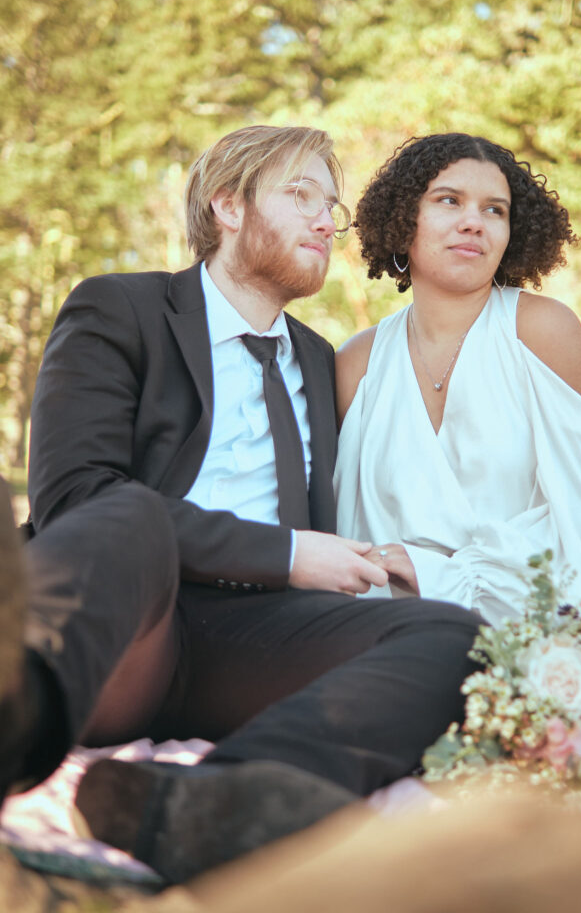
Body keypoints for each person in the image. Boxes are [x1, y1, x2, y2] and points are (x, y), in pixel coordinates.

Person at [0, 125, 483, 883]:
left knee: (452, 634)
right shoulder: (119, 309)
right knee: (129, 512)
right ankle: (14, 723)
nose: (327, 220)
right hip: (122, 620)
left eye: (333, 206)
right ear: (227, 205)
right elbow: (74, 495)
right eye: (300, 195)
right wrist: (290, 554)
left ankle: (217, 798)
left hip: (249, 639)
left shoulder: (324, 363)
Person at [334, 132, 581, 626]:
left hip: (569, 604)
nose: (474, 222)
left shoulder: (542, 331)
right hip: (403, 625)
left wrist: (444, 577)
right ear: (401, 219)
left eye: (495, 210)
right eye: (449, 201)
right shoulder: (356, 363)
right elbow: (349, 531)